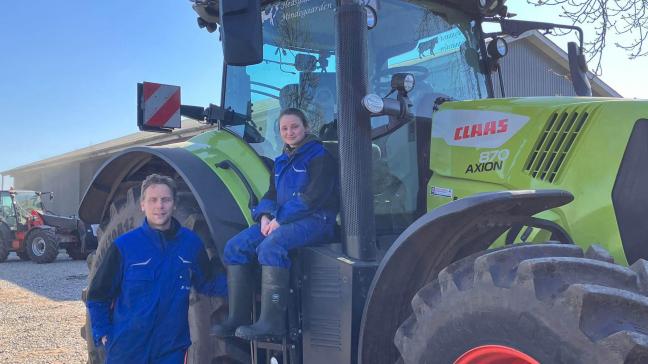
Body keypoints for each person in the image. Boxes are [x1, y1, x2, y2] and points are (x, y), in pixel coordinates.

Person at [212, 107, 339, 341]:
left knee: (271, 246)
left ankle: (272, 322)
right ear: (280, 133)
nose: (289, 132)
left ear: (306, 128)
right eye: (284, 128)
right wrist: (264, 216)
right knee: (235, 246)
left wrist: (280, 219)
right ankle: (237, 318)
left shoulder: (319, 156)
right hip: (283, 218)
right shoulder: (281, 161)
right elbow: (271, 194)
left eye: (294, 127)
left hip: (317, 219)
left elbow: (313, 198)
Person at [86, 174, 226, 364]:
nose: (159, 206)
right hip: (127, 350)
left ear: (174, 204)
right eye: (153, 200)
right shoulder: (124, 246)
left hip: (170, 351)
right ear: (143, 204)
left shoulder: (191, 244)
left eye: (165, 200)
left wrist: (243, 282)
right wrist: (103, 334)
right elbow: (97, 296)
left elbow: (207, 283)